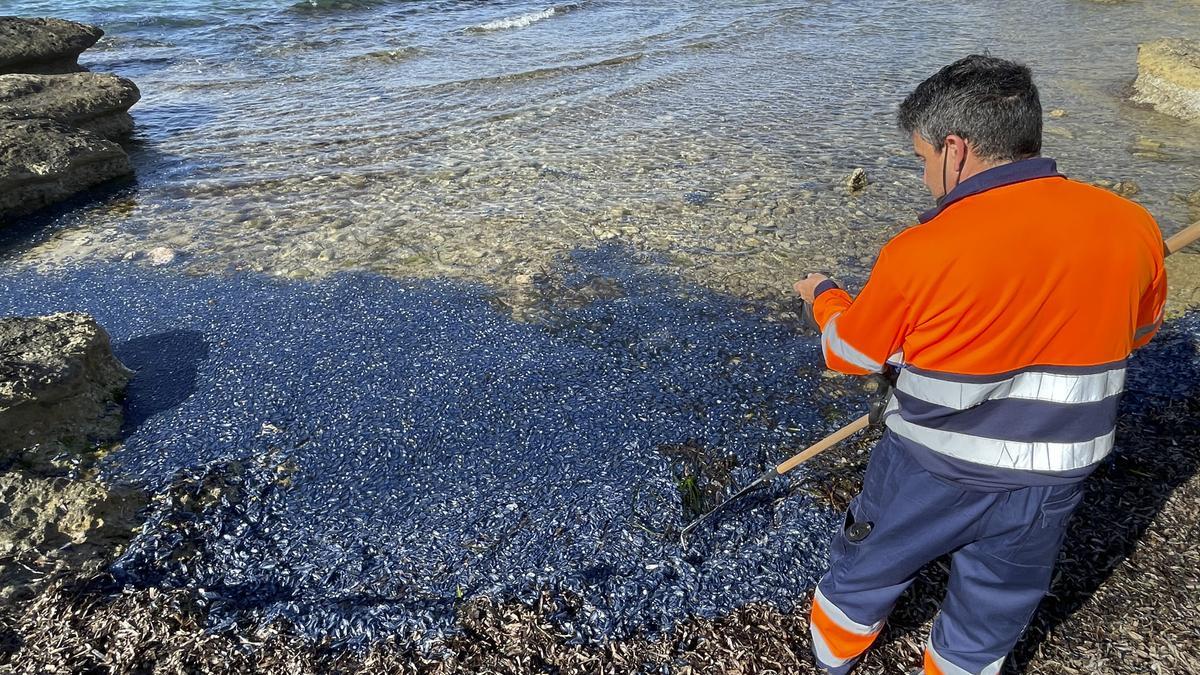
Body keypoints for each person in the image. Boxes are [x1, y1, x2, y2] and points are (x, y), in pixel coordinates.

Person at [792, 54, 1167, 675]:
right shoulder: (1132, 225)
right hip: (1054, 476)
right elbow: (1141, 332)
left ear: (955, 150)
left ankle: (833, 652)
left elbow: (849, 353)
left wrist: (825, 295)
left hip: (931, 468)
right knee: (995, 603)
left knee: (868, 564)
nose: (924, 177)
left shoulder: (926, 248)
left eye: (921, 159)